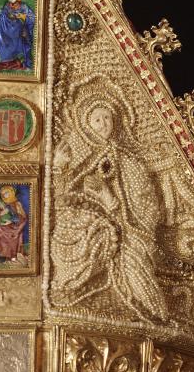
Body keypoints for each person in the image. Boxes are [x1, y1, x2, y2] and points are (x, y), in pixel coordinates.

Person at [51, 95, 168, 323]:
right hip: (76, 224)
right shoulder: (76, 158)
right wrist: (58, 166)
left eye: (107, 118)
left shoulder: (128, 161)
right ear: (85, 124)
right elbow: (56, 198)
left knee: (107, 238)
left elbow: (146, 205)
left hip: (120, 230)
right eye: (97, 119)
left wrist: (108, 198)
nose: (103, 124)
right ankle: (65, 288)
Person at [0, 0, 35, 71]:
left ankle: (16, 60)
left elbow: (32, 18)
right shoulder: (7, 6)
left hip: (18, 29)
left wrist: (20, 16)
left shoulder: (23, 7)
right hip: (6, 29)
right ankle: (6, 60)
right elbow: (0, 15)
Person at [0, 185, 28, 265]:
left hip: (14, 226)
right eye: (2, 194)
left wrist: (11, 220)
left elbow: (22, 217)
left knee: (10, 235)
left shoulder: (17, 204)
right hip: (2, 224)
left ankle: (10, 255)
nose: (4, 196)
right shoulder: (1, 204)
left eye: (6, 193)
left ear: (11, 193)